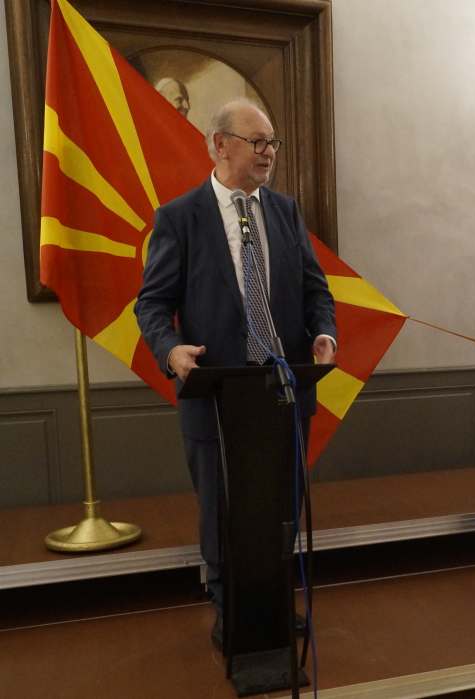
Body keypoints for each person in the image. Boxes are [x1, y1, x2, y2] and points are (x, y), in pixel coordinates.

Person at [135, 98, 336, 647]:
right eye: (258, 141)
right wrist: (172, 351)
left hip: (283, 390)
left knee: (280, 508)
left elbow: (316, 289)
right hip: (216, 394)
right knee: (222, 515)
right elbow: (151, 305)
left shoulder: (285, 212)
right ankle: (231, 610)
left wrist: (324, 333)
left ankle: (271, 602)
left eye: (272, 142)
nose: (269, 152)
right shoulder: (180, 217)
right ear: (220, 145)